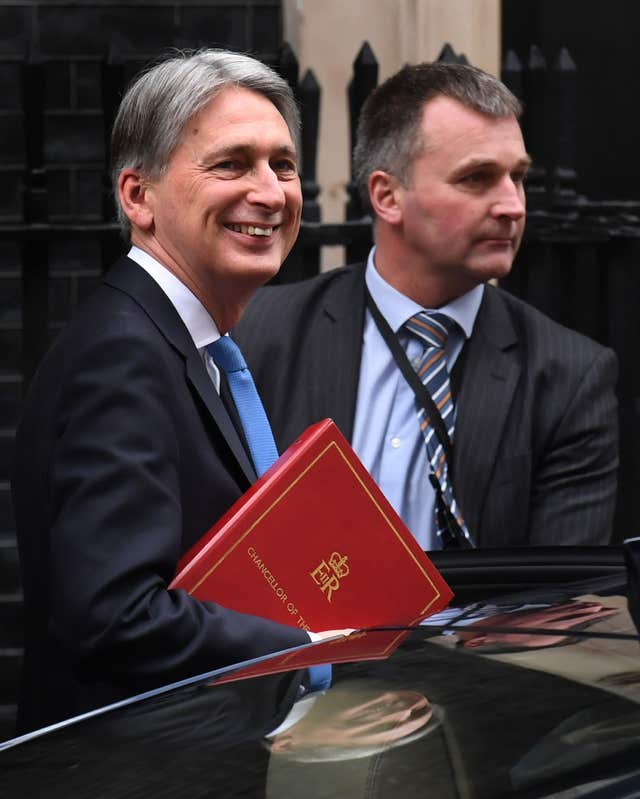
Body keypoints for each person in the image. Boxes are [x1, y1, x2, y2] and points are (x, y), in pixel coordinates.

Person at [11, 49, 343, 734]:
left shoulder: (181, 346)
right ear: (138, 196)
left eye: (282, 164)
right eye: (231, 164)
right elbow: (116, 613)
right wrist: (310, 643)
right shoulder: (124, 353)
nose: (271, 191)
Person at [234, 61, 619, 549]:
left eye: (516, 177)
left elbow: (558, 597)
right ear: (387, 196)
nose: (513, 205)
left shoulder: (566, 376)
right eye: (477, 178)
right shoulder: (259, 333)